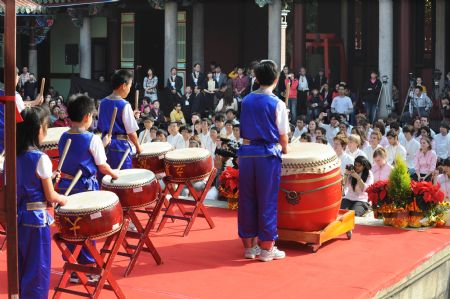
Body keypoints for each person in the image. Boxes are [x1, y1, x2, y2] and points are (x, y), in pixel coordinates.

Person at [58, 94, 119, 282]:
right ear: (87, 117)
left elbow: (76, 157)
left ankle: (73, 265)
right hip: (85, 188)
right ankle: (86, 267)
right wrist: (116, 174)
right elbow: (102, 166)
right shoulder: (91, 139)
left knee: (70, 227)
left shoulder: (63, 136)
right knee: (86, 228)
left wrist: (102, 145)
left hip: (65, 188)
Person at [238, 60, 289, 262]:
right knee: (266, 201)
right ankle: (267, 248)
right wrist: (285, 149)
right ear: (276, 79)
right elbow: (283, 137)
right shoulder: (277, 103)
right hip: (267, 155)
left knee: (247, 200)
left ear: (257, 79)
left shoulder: (246, 100)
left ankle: (249, 248)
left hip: (247, 152)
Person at [17, 106, 68, 298]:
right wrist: (63, 198)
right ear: (39, 129)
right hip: (37, 221)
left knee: (22, 268)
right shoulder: (41, 158)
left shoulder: (13, 155)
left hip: (18, 218)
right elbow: (51, 196)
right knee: (38, 271)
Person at [98, 70, 142, 171]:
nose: (130, 89)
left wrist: (131, 115)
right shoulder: (124, 105)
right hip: (120, 148)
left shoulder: (102, 102)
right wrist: (138, 147)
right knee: (122, 181)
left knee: (105, 180)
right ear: (123, 86)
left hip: (105, 144)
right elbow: (131, 132)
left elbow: (101, 125)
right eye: (130, 86)